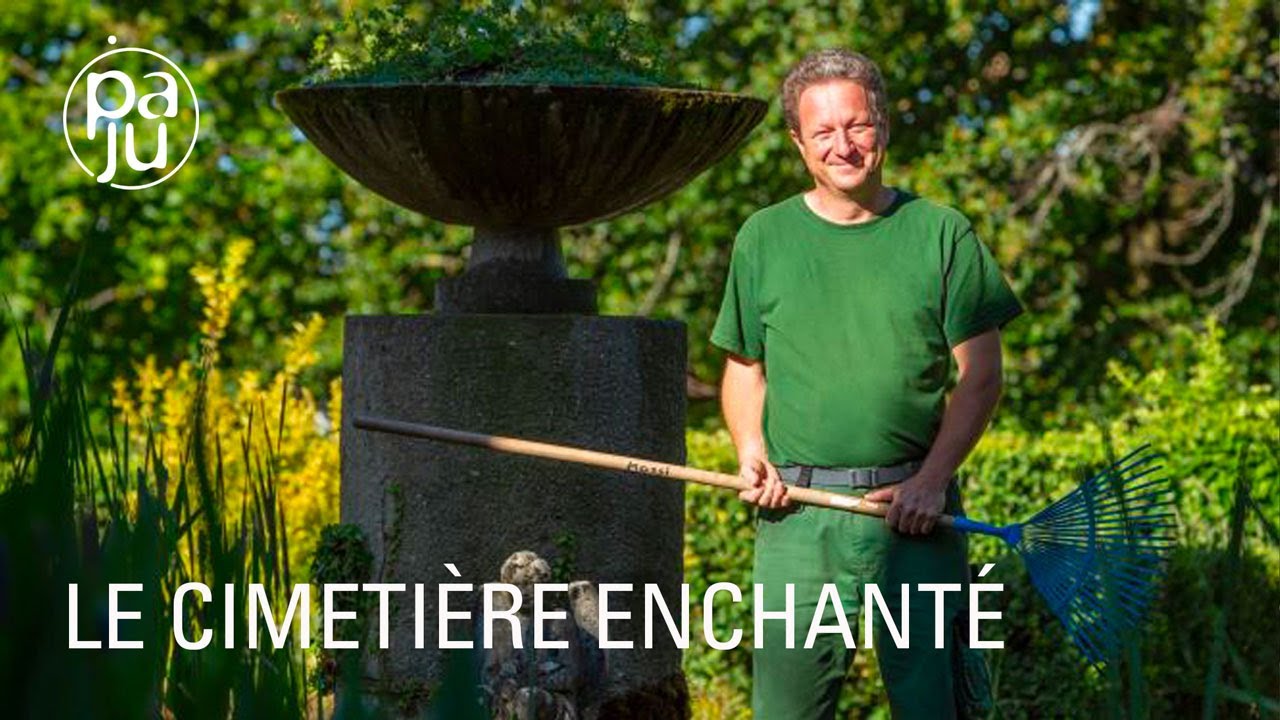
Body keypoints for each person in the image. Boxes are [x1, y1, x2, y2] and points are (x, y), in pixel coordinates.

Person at [710, 49, 1022, 719]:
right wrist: (748, 449)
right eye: (822, 132)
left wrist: (933, 480)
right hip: (796, 515)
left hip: (914, 513)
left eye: (856, 126)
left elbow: (983, 375)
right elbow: (743, 368)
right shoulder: (762, 238)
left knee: (934, 708)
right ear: (798, 142)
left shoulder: (941, 234)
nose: (842, 146)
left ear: (882, 126)